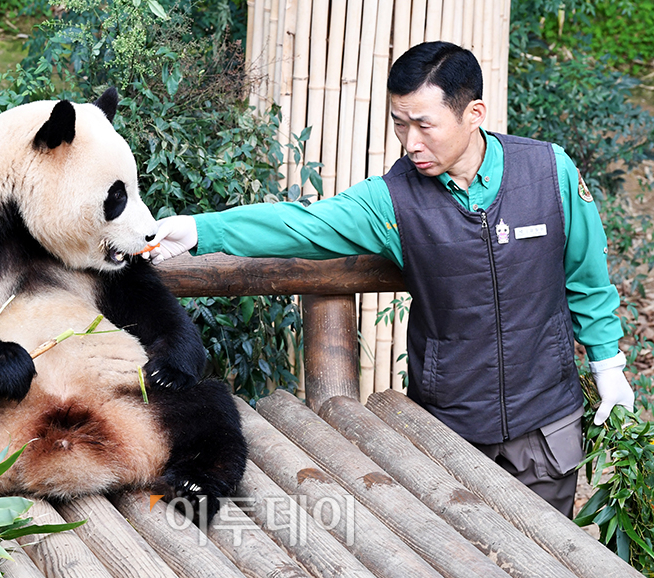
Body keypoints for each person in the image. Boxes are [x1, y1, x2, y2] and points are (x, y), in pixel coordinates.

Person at [146, 41, 635, 518]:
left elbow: (586, 278)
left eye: (425, 125)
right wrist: (197, 230)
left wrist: (607, 368)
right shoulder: (393, 200)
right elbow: (303, 223)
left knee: (549, 557)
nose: (411, 142)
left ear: (474, 113)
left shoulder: (550, 171)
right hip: (450, 428)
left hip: (547, 423)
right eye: (400, 125)